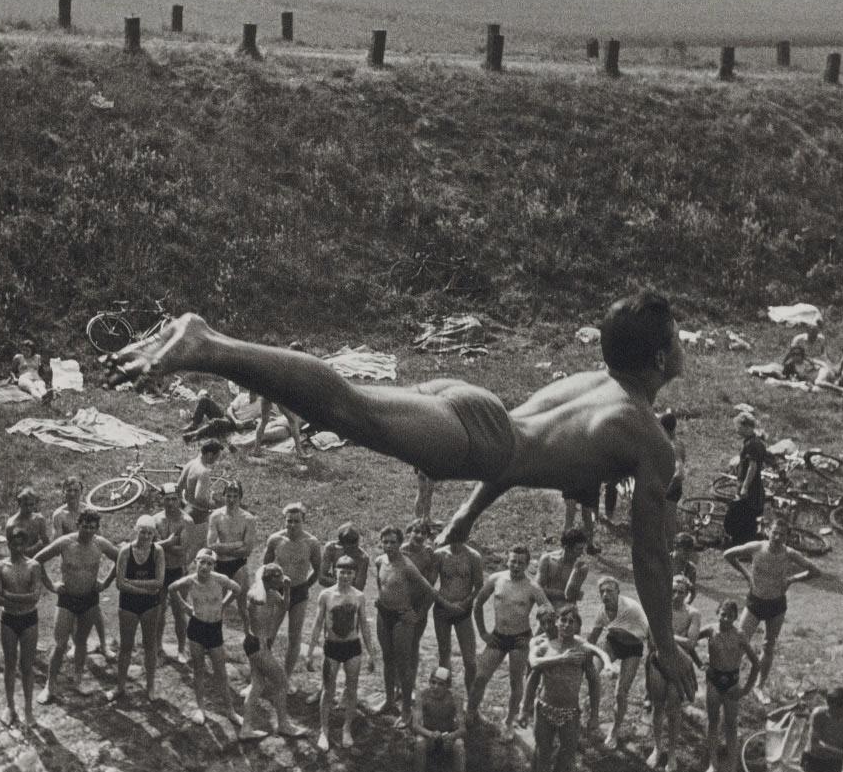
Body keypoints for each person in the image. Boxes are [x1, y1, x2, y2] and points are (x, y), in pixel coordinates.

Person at [100, 294, 700, 698]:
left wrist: (464, 515)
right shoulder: (646, 436)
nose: (682, 346)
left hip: (474, 406)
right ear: (659, 357)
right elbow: (651, 556)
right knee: (343, 407)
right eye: (677, 338)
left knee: (348, 403)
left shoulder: (596, 385)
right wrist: (666, 648)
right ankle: (208, 345)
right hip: (476, 440)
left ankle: (210, 344)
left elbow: (525, 456)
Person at [723, 517, 821, 703]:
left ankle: (759, 686)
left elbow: (816, 571)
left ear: (787, 537)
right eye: (774, 532)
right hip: (755, 602)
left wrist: (792, 580)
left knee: (768, 645)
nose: (777, 537)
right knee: (740, 642)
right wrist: (746, 574)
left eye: (781, 534)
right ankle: (729, 683)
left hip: (776, 605)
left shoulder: (789, 553)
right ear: (768, 531)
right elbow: (728, 554)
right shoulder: (756, 547)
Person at [34, 510, 119, 702]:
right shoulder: (65, 542)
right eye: (84, 526)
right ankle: (50, 685)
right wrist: (51, 585)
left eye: (92, 527)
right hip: (67, 599)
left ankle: (78, 679)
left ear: (97, 529)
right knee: (60, 644)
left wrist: (106, 582)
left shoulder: (100, 543)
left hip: (89, 599)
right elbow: (38, 559)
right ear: (78, 525)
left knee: (81, 642)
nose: (88, 530)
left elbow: (120, 558)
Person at [375, 525, 456, 725]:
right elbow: (381, 583)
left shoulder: (407, 565)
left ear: (400, 543)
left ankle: (405, 710)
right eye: (385, 542)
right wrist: (380, 599)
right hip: (383, 615)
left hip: (402, 618)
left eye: (393, 542)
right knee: (387, 658)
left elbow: (431, 590)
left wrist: (418, 614)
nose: (389, 545)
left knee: (404, 664)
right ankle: (389, 700)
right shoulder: (379, 561)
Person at [467, 544, 550, 735]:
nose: (516, 566)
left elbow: (548, 612)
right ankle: (471, 713)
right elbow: (478, 604)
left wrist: (536, 640)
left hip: (520, 640)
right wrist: (483, 633)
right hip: (497, 637)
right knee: (480, 677)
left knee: (515, 682)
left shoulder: (532, 587)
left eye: (521, 563)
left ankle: (509, 722)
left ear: (527, 565)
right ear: (507, 560)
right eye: (513, 561)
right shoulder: (496, 579)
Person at [526, 604, 600, 772]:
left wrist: (594, 715)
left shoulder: (582, 651)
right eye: (563, 620)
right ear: (556, 622)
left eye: (571, 621)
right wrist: (524, 707)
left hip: (570, 712)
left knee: (568, 758)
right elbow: (533, 671)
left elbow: (594, 682)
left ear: (578, 626)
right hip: (544, 709)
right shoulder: (545, 647)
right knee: (542, 754)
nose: (566, 625)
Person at [168, 548, 245, 725]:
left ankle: (231, 711)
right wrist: (185, 607)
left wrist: (223, 604)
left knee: (221, 672)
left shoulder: (220, 579)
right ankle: (200, 708)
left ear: (214, 566)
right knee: (198, 669)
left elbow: (237, 589)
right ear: (196, 562)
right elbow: (172, 588)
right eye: (202, 562)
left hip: (214, 629)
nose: (205, 566)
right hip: (197, 628)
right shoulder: (189, 580)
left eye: (209, 563)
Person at [305, 555, 374, 750]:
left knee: (352, 689)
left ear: (354, 574)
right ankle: (324, 730)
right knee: (328, 690)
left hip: (352, 647)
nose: (345, 576)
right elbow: (318, 624)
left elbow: (364, 625)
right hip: (332, 648)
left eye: (349, 573)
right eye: (341, 572)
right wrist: (310, 652)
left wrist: (371, 653)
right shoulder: (326, 595)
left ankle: (346, 729)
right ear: (335, 572)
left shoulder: (358, 596)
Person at [238, 563, 309, 741]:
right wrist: (260, 577)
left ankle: (246, 729)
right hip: (257, 644)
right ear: (268, 580)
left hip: (260, 643)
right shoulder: (255, 593)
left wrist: (287, 589)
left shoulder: (271, 592)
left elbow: (284, 606)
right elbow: (260, 600)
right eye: (279, 579)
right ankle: (284, 725)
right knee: (282, 682)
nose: (282, 581)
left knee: (257, 685)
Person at [699, 600, 761, 772]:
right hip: (714, 682)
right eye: (723, 614)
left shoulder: (740, 635)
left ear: (735, 617)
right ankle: (712, 765)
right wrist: (699, 662)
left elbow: (756, 663)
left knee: (731, 725)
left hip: (732, 685)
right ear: (717, 613)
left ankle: (732, 769)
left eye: (730, 616)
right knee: (713, 722)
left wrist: (746, 689)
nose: (726, 619)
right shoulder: (710, 630)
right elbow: (690, 640)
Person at [644, 574, 700, 772]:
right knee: (658, 706)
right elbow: (652, 639)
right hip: (658, 662)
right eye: (673, 591)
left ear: (687, 594)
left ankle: (673, 753)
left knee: (674, 709)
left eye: (681, 592)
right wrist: (673, 638)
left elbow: (691, 643)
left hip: (679, 664)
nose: (676, 595)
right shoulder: (660, 609)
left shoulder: (693, 613)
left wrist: (665, 635)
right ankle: (658, 747)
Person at [587, 576, 650, 749]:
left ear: (618, 592)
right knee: (592, 673)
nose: (605, 595)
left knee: (621, 693)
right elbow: (592, 637)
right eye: (602, 591)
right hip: (613, 643)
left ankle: (614, 731)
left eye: (609, 591)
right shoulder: (602, 611)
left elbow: (647, 630)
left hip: (633, 648)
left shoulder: (630, 608)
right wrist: (583, 656)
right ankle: (594, 716)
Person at [263, 502, 322, 684]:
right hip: (278, 591)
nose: (293, 525)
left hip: (299, 592)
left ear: (303, 521)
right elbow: (265, 567)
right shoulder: (275, 540)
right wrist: (271, 588)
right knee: (268, 635)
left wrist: (304, 586)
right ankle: (261, 676)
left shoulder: (311, 543)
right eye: (289, 521)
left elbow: (317, 570)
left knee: (294, 637)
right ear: (285, 521)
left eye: (297, 521)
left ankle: (285, 679)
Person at [111, 516, 164, 703]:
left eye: (150, 533)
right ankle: (120, 686)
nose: (146, 536)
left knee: (150, 645)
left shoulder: (157, 551)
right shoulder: (125, 551)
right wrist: (145, 590)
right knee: (126, 646)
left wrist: (133, 583)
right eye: (143, 532)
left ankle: (150, 686)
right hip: (129, 604)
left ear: (154, 534)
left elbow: (159, 582)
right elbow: (120, 584)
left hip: (150, 605)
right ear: (136, 530)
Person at [0, 529, 43, 726]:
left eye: (22, 544)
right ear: (9, 544)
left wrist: (9, 595)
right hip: (9, 619)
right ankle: (10, 706)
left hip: (29, 619)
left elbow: (35, 597)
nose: (18, 548)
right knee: (10, 664)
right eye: (14, 544)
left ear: (26, 545)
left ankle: (28, 709)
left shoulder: (33, 566)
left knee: (27, 666)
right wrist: (20, 598)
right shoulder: (0, 567)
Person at [432, 534, 484, 696]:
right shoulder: (440, 555)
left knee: (470, 660)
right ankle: (443, 696)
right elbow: (430, 584)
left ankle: (471, 701)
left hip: (463, 612)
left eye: (460, 533)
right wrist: (446, 604)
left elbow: (479, 586)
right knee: (444, 655)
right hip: (442, 610)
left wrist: (464, 604)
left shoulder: (473, 556)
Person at [153, 491, 195, 664]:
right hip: (160, 570)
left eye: (174, 499)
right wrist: (170, 542)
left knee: (179, 612)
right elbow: (149, 547)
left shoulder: (187, 521)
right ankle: (157, 647)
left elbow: (181, 550)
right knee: (158, 611)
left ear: (179, 500)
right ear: (162, 500)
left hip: (178, 570)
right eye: (167, 499)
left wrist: (162, 544)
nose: (170, 503)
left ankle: (181, 649)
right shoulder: (156, 519)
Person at [207, 480, 258, 619]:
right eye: (228, 496)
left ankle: (248, 632)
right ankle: (214, 631)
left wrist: (222, 548)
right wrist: (236, 544)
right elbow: (211, 545)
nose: (231, 500)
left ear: (240, 498)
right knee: (216, 605)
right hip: (219, 564)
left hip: (238, 565)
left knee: (243, 607)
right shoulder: (216, 516)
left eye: (235, 496)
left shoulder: (248, 519)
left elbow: (247, 550)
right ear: (224, 496)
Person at [402, 518, 441, 698]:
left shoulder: (429, 554)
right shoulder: (400, 551)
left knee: (412, 647)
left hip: (418, 605)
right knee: (397, 648)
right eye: (415, 531)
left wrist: (421, 612)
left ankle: (409, 688)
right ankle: (396, 688)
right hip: (399, 605)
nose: (419, 536)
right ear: (408, 533)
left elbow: (431, 586)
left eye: (423, 533)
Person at [411, 667, 466, 772]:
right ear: (429, 682)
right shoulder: (422, 696)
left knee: (459, 744)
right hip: (429, 736)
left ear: (447, 686)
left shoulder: (455, 698)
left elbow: (462, 729)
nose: (435, 687)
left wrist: (451, 736)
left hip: (447, 738)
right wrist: (430, 734)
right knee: (420, 742)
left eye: (441, 684)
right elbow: (415, 725)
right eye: (433, 682)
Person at [725, 411, 770, 547]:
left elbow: (752, 466)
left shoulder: (752, 444)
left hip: (751, 487)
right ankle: (742, 544)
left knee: (744, 516)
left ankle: (743, 546)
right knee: (744, 516)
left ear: (746, 427)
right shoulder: (753, 442)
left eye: (738, 426)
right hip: (751, 485)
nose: (736, 429)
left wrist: (745, 487)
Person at [536, 528, 589, 610]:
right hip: (547, 609)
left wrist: (575, 571)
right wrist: (561, 593)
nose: (582, 553)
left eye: (583, 548)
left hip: (568, 611)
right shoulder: (547, 559)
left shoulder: (581, 567)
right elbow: (537, 590)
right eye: (579, 549)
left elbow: (570, 595)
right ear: (567, 548)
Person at [183, 385, 261, 442]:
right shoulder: (242, 396)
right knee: (204, 400)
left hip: (234, 425)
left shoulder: (260, 405)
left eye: (254, 393)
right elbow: (230, 409)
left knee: (216, 422)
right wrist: (235, 419)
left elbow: (258, 420)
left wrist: (243, 423)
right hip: (228, 417)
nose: (251, 395)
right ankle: (194, 424)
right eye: (250, 392)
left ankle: (194, 434)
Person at [252, 394, 311, 458]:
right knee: (293, 420)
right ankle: (300, 452)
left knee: (263, 420)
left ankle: (256, 450)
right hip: (278, 393)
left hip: (266, 393)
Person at [319, 523, 370, 591]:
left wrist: (336, 582)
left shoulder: (362, 557)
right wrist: (345, 584)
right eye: (349, 547)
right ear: (341, 543)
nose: (353, 548)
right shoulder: (331, 548)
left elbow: (358, 588)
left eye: (355, 545)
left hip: (352, 595)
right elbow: (321, 578)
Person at [5, 487, 49, 560]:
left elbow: (46, 543)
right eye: (25, 505)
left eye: (31, 505)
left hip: (38, 560)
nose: (28, 508)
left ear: (35, 504)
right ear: (19, 504)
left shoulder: (39, 520)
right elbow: (14, 551)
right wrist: (37, 546)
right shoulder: (12, 524)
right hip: (20, 561)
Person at [670, 532, 699, 601]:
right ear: (676, 547)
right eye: (685, 550)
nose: (688, 554)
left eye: (690, 551)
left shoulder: (691, 568)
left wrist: (685, 603)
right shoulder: (664, 562)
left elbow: (692, 592)